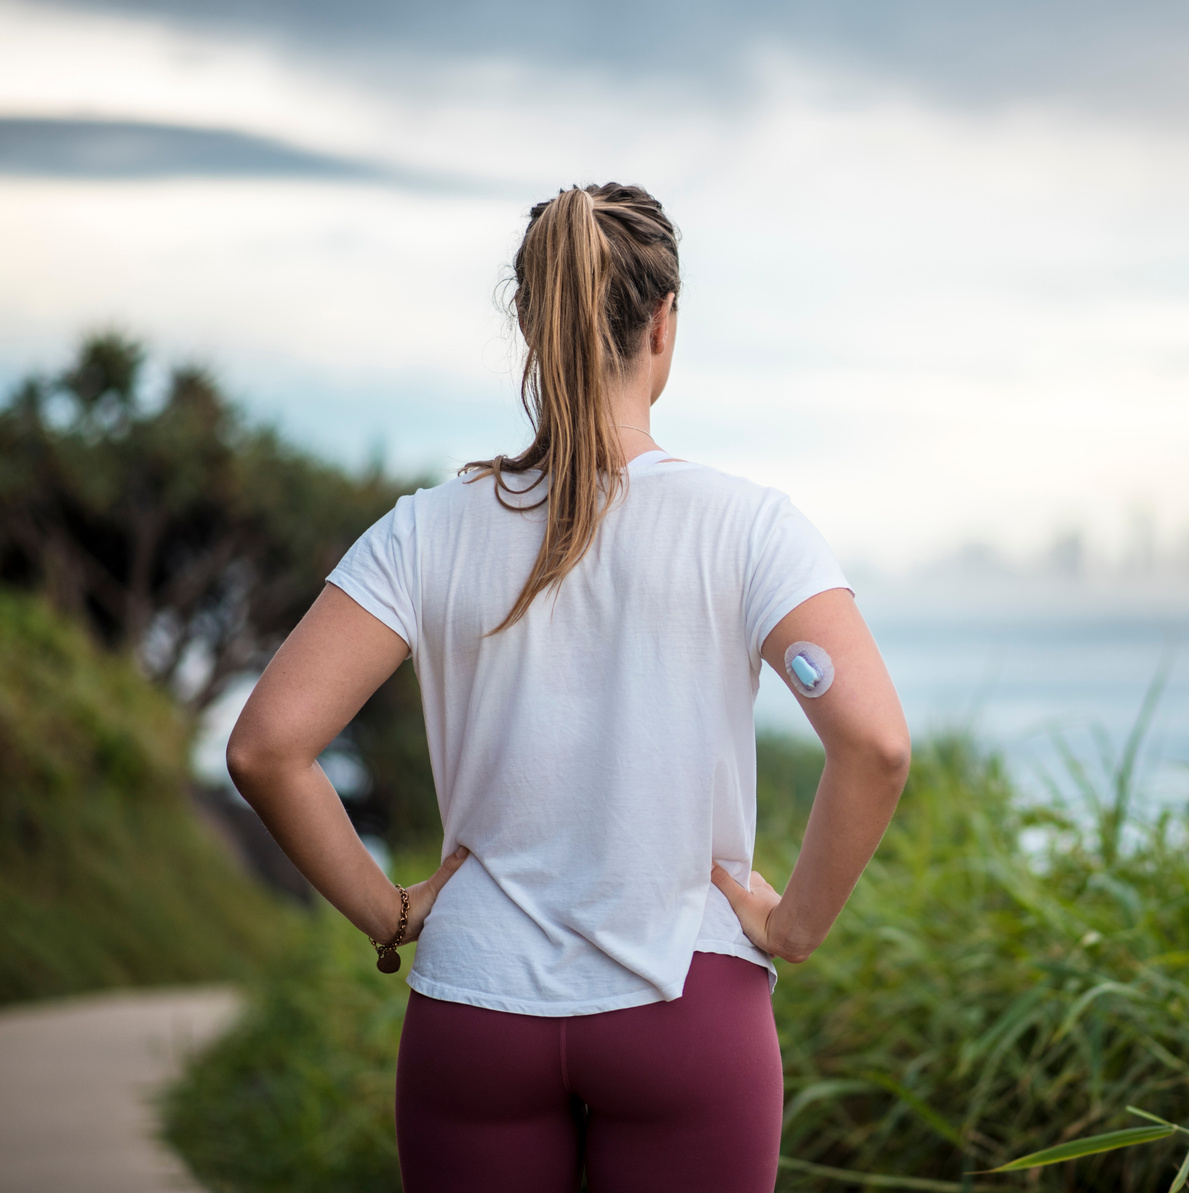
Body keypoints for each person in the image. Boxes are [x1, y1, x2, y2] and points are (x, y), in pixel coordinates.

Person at [226, 182, 910, 1193]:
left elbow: (265, 747)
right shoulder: (749, 527)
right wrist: (795, 923)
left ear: (532, 326)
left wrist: (390, 911)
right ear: (663, 326)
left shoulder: (427, 528)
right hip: (687, 1000)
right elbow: (876, 743)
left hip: (477, 1008)